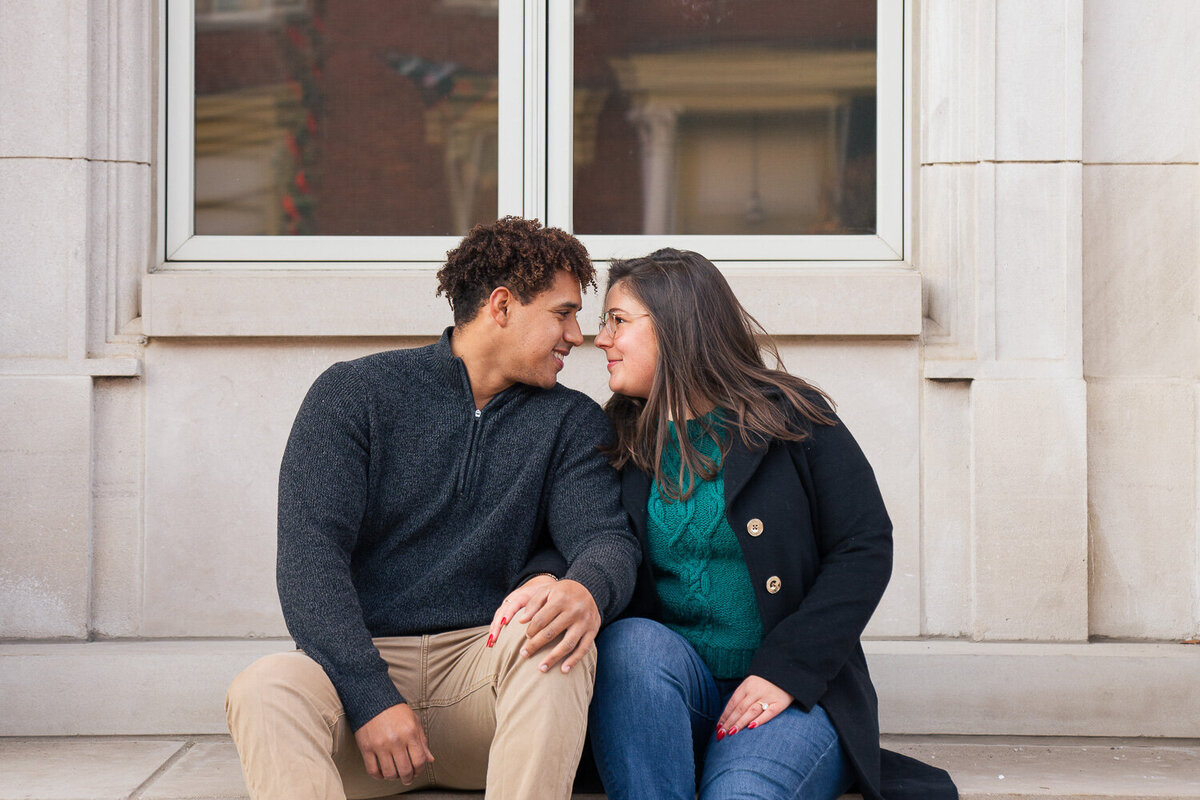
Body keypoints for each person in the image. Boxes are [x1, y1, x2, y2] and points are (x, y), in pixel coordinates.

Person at [504, 248, 957, 799]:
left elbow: (863, 547)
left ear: (676, 326)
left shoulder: (792, 417)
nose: (599, 339)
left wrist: (787, 670)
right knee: (630, 645)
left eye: (616, 321)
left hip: (787, 699)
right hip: (667, 701)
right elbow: (577, 536)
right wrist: (547, 579)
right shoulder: (612, 436)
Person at [224, 216, 642, 800]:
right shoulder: (354, 396)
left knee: (552, 643)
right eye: (563, 313)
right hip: (361, 691)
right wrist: (371, 697)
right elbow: (309, 564)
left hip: (484, 679)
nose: (578, 336)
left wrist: (586, 588)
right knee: (264, 687)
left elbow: (606, 538)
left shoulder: (570, 421)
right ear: (502, 306)